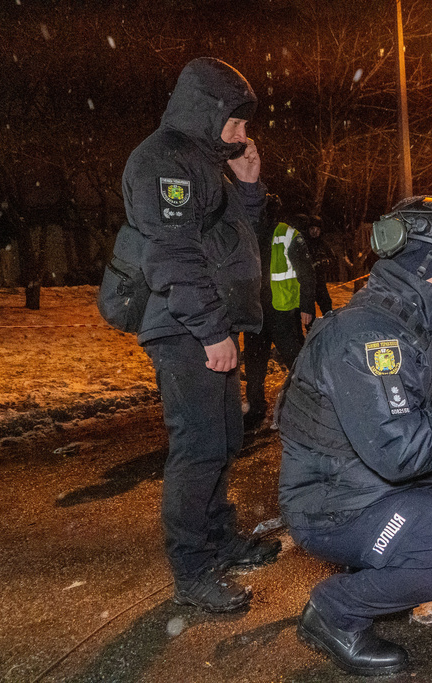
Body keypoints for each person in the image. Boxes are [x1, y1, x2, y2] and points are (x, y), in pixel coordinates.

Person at [277, 196, 432, 676]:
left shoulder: (419, 324)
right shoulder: (367, 338)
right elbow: (402, 451)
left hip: (370, 484)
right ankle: (334, 610)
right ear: (424, 268)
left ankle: (388, 565)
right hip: (335, 507)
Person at [122, 57, 281, 613]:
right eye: (236, 124)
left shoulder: (201, 161)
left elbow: (232, 238)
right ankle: (192, 570)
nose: (243, 136)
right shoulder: (165, 160)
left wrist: (249, 186)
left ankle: (220, 539)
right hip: (183, 326)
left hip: (210, 325)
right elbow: (173, 254)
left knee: (224, 441)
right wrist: (211, 330)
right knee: (197, 449)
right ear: (208, 111)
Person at [243, 199, 318, 432]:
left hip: (281, 310)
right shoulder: (245, 232)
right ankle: (256, 409)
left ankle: (311, 405)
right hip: (255, 311)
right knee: (255, 364)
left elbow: (306, 271)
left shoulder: (287, 234)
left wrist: (307, 305)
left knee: (294, 359)